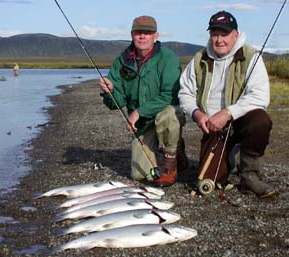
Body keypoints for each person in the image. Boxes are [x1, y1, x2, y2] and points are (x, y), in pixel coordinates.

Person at [178, 10, 275, 198]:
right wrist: (197, 113)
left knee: (261, 121)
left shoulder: (251, 56)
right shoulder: (199, 58)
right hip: (212, 126)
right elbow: (185, 92)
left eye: (224, 34)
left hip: (241, 120)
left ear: (235, 35)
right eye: (215, 34)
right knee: (208, 182)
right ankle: (230, 157)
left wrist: (228, 113)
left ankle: (249, 176)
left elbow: (260, 96)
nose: (219, 39)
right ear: (210, 35)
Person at [99, 15, 188, 186]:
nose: (142, 36)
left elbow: (171, 94)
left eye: (147, 33)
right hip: (142, 125)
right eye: (138, 32)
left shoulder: (168, 58)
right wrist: (108, 92)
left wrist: (138, 112)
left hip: (163, 115)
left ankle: (171, 161)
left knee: (169, 114)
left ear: (156, 36)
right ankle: (177, 150)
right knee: (141, 175)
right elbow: (115, 103)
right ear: (131, 35)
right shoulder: (121, 61)